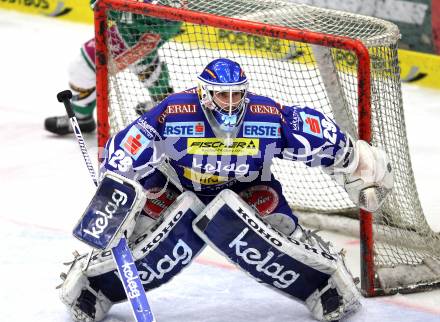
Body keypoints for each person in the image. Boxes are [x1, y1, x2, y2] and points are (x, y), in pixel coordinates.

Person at [58, 58, 393, 321]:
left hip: (249, 189)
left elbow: (316, 135)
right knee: (140, 231)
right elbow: (129, 147)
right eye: (223, 94)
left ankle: (324, 285)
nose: (231, 103)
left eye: (237, 94)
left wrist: (359, 164)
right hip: (177, 188)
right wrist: (117, 191)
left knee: (282, 230)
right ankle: (93, 284)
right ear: (205, 93)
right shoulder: (175, 112)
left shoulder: (265, 115)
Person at [45, 0, 183, 135]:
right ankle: (163, 104)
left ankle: (81, 118)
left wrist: (111, 7)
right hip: (143, 23)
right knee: (143, 62)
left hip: (145, 25)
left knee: (83, 68)